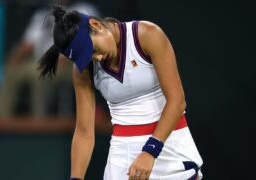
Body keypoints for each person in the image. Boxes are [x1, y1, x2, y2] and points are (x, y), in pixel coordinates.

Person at [38, 5, 203, 180]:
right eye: (89, 56)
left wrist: (150, 151)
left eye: (93, 50)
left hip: (168, 145)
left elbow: (177, 101)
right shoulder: (83, 69)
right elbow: (84, 131)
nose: (97, 58)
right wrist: (76, 178)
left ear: (96, 25)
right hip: (122, 156)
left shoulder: (147, 35)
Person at [0, 0, 100, 118]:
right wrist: (14, 58)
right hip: (40, 61)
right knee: (11, 72)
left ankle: (39, 124)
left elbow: (90, 42)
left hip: (72, 64)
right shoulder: (44, 13)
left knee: (41, 73)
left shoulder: (85, 10)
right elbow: (28, 43)